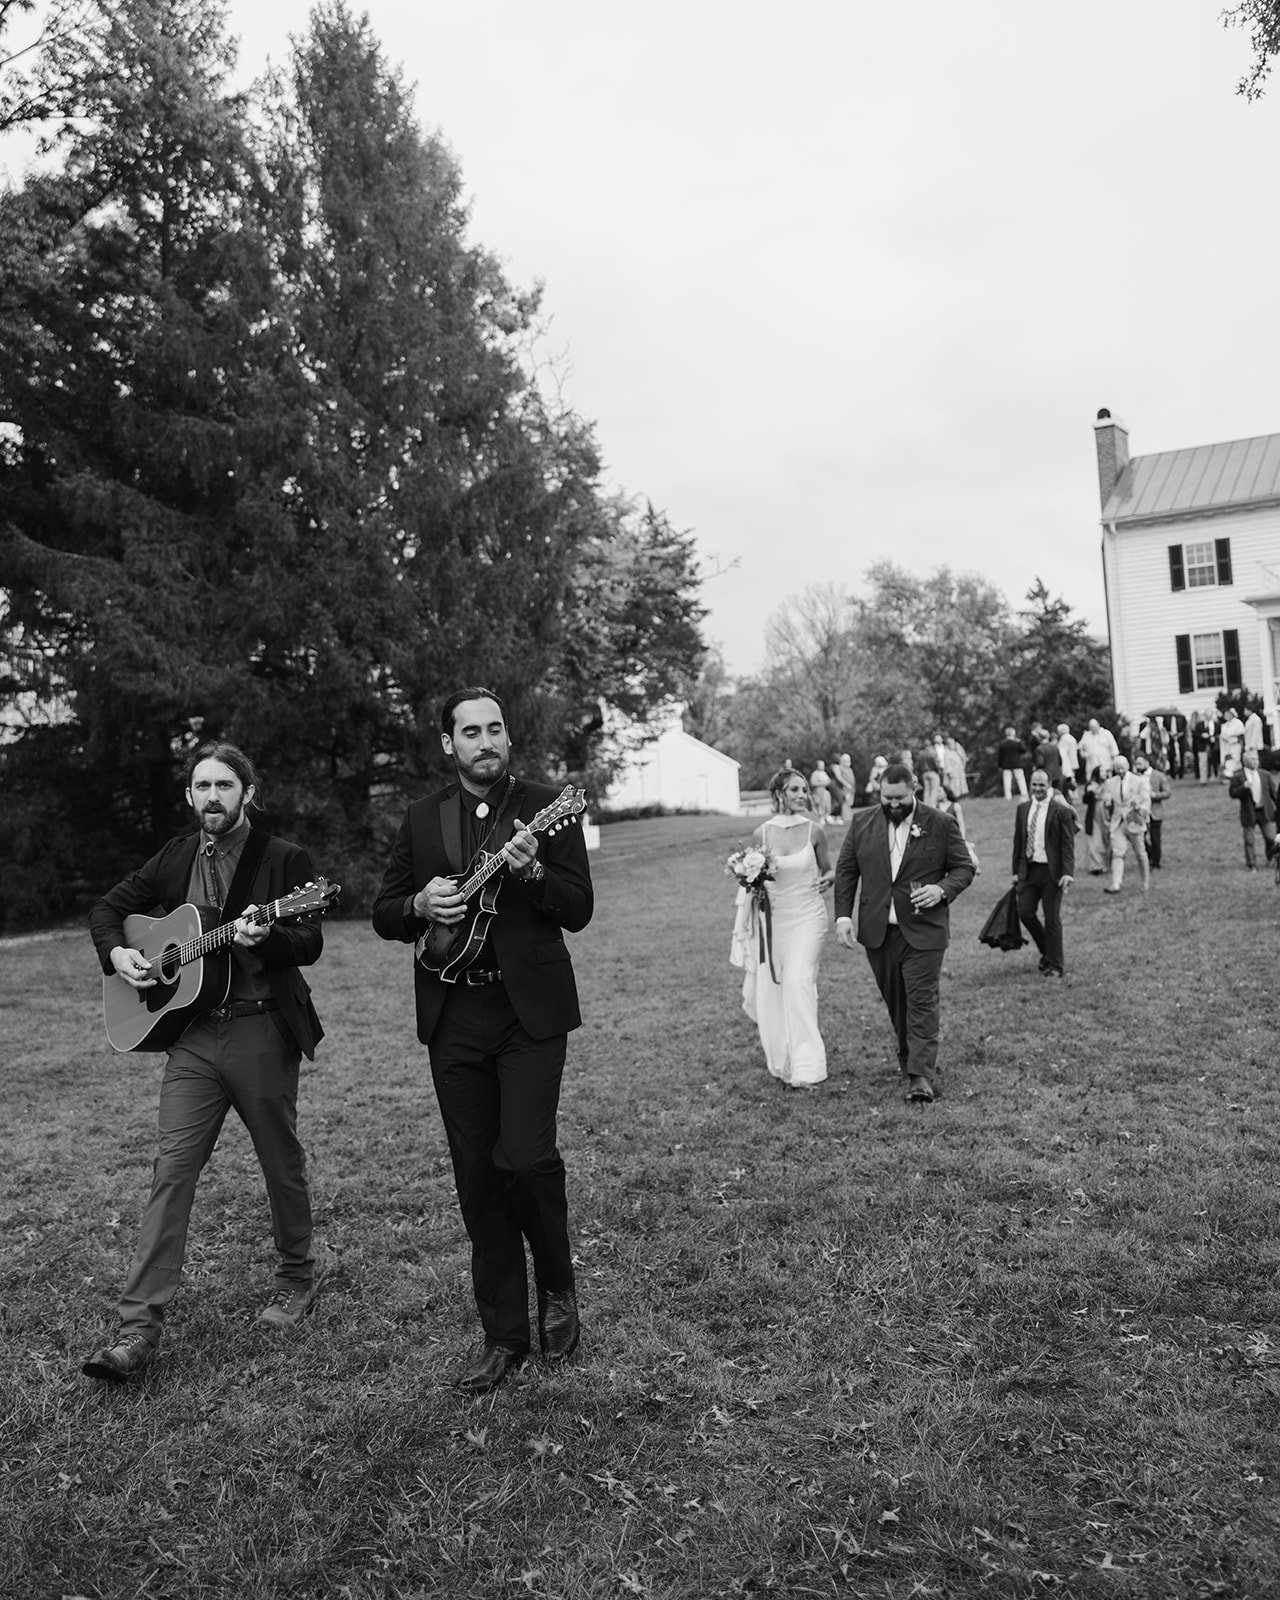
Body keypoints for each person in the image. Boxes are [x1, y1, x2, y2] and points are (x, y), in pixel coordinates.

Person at [371, 687, 593, 1394]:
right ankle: (503, 1335)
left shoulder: (546, 806)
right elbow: (381, 911)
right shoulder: (421, 817)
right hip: (453, 1018)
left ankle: (556, 1287)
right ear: (449, 744)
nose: (486, 741)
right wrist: (417, 905)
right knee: (477, 1179)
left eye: (495, 728)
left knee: (525, 1161)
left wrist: (530, 870)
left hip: (528, 1013)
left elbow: (579, 908)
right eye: (471, 731)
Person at [82, 743, 326, 1383]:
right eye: (200, 786)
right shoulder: (175, 855)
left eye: (223, 785)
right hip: (191, 1035)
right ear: (188, 795)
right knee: (172, 1170)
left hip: (259, 1030)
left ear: (247, 791)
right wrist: (119, 957)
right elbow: (107, 909)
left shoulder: (281, 859)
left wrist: (267, 932)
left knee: (280, 1160)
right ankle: (137, 1329)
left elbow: (311, 940)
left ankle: (297, 1277)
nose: (211, 796)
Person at [833, 762, 976, 1103]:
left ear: (914, 788)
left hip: (925, 931)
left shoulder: (940, 823)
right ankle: (909, 1058)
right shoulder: (861, 822)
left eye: (899, 798)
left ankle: (920, 1077)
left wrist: (941, 890)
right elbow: (847, 870)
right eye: (887, 798)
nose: (893, 804)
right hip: (878, 931)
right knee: (897, 1001)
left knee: (922, 1001)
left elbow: (964, 867)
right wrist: (842, 917)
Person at [732, 768, 833, 1087]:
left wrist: (829, 879)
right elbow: (753, 881)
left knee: (797, 981)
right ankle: (785, 1058)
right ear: (779, 794)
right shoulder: (761, 834)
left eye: (805, 789)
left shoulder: (815, 831)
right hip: (774, 922)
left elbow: (829, 870)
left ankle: (809, 1064)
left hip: (808, 917)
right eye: (795, 790)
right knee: (776, 987)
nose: (803, 795)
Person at [1011, 768, 1075, 978]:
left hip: (1051, 872)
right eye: (1034, 784)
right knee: (1025, 912)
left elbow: (1067, 845)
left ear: (1049, 786)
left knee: (1051, 918)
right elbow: (1018, 842)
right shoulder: (1022, 809)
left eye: (1042, 785)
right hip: (1029, 870)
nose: (1037, 789)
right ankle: (1048, 951)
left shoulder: (1060, 811)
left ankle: (1055, 964)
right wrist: (1015, 872)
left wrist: (1067, 873)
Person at [1102, 755, 1150, 895]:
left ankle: (1145, 883)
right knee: (1118, 852)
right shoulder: (1110, 783)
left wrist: (1140, 808)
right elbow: (1108, 801)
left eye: (1122, 768)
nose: (1120, 771)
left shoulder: (1139, 781)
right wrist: (1107, 805)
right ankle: (1116, 884)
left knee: (1140, 853)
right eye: (1117, 769)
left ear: (1128, 766)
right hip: (1118, 821)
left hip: (1134, 819)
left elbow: (1146, 801)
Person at [1228, 748, 1276, 871]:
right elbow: (1232, 793)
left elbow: (1274, 794)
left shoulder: (1265, 775)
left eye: (1257, 759)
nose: (1256, 762)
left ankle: (1270, 858)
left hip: (1264, 811)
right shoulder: (1238, 777)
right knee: (1249, 840)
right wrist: (1243, 788)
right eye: (1253, 760)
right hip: (1249, 812)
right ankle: (1251, 864)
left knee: (1271, 837)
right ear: (1246, 761)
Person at [1138, 754, 1171, 868]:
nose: (1137, 766)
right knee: (1140, 838)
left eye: (1140, 764)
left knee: (1155, 839)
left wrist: (1155, 795)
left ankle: (1156, 863)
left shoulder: (1159, 776)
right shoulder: (1135, 777)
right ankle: (1149, 855)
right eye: (1136, 764)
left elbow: (1167, 793)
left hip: (1155, 811)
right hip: (1140, 812)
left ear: (1147, 762)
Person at [1081, 764, 1110, 875]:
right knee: (1095, 840)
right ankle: (1096, 865)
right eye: (1102, 771)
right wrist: (1091, 792)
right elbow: (1085, 800)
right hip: (1094, 815)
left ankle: (1106, 862)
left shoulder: (1110, 784)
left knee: (1106, 838)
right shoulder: (1092, 785)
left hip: (1106, 814)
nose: (1104, 773)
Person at [997, 726, 1028, 799]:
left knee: (1007, 781)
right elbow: (1024, 750)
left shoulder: (1002, 744)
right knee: (1020, 779)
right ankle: (1024, 794)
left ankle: (1008, 796)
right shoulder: (1017, 743)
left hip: (1006, 765)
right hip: (1017, 764)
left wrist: (1000, 766)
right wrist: (1020, 742)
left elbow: (1000, 756)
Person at [1220, 706, 1245, 780]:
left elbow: (1241, 732)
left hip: (1235, 744)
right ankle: (1229, 775)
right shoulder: (1225, 725)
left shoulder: (1237, 722)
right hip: (1227, 746)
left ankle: (1237, 774)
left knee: (1236, 759)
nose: (1226, 716)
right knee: (1228, 760)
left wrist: (1230, 735)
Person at [1057, 723, 1080, 792]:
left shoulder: (1064, 739)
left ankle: (1070, 794)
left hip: (1067, 764)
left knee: (1068, 782)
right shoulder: (1072, 738)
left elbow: (1062, 753)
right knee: (1072, 780)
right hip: (1073, 762)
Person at [835, 753, 857, 821]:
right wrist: (846, 784)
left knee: (850, 803)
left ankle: (848, 816)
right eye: (846, 760)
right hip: (845, 789)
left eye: (848, 760)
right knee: (846, 802)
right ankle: (845, 817)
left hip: (852, 789)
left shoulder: (850, 769)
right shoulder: (840, 768)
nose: (848, 762)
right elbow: (839, 777)